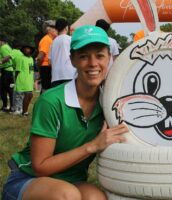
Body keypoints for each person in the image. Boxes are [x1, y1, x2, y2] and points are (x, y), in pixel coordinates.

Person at [2, 25, 129, 200]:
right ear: (72, 60)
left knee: (96, 198)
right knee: (67, 196)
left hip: (71, 181)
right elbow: (40, 166)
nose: (93, 63)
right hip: (29, 178)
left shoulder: (109, 103)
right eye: (83, 56)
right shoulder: (52, 101)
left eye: (100, 55)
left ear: (109, 59)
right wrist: (92, 146)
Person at [49, 18, 76, 87]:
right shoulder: (71, 39)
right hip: (69, 74)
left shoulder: (53, 42)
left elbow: (50, 62)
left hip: (55, 76)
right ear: (66, 27)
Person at [12, 43, 35, 116]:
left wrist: (33, 79)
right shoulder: (20, 58)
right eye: (25, 48)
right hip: (21, 79)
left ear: (31, 50)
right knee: (22, 95)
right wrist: (15, 80)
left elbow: (31, 69)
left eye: (28, 48)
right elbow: (17, 70)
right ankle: (21, 111)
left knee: (30, 95)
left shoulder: (31, 59)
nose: (27, 50)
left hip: (29, 79)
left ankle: (25, 111)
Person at [35, 20, 57, 93]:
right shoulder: (46, 40)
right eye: (54, 27)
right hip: (46, 67)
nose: (56, 29)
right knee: (46, 90)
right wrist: (39, 70)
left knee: (49, 89)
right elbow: (40, 57)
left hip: (48, 67)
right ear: (48, 30)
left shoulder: (51, 40)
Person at [0, 34, 15, 112]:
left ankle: (5, 106)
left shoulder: (3, 47)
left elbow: (8, 57)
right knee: (10, 89)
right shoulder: (8, 47)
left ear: (1, 41)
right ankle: (11, 106)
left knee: (4, 89)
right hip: (9, 70)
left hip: (6, 71)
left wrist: (1, 61)